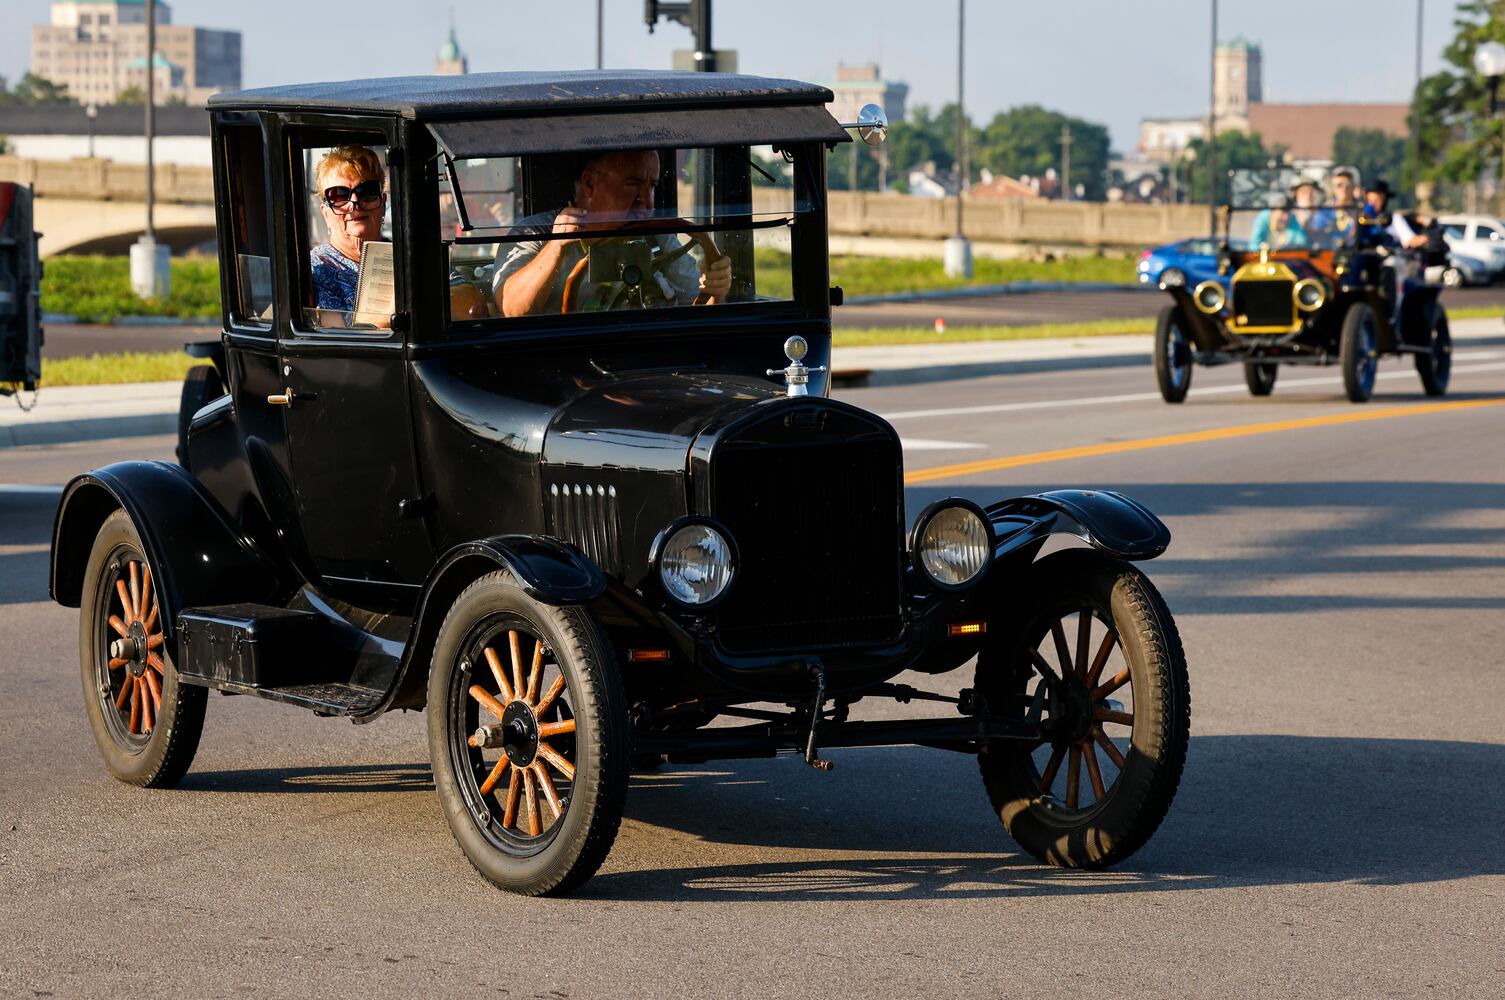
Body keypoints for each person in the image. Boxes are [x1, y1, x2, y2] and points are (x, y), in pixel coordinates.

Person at [493, 149, 733, 316]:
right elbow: (512, 309)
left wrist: (715, 287)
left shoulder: (656, 236)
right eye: (632, 184)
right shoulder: (538, 233)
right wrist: (556, 247)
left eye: (652, 186)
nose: (646, 201)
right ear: (589, 185)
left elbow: (698, 306)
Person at [309, 145, 388, 312]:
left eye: (366, 191)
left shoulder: (410, 259)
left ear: (383, 203)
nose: (355, 203)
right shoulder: (310, 272)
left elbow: (455, 295)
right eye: (339, 195)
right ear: (325, 213)